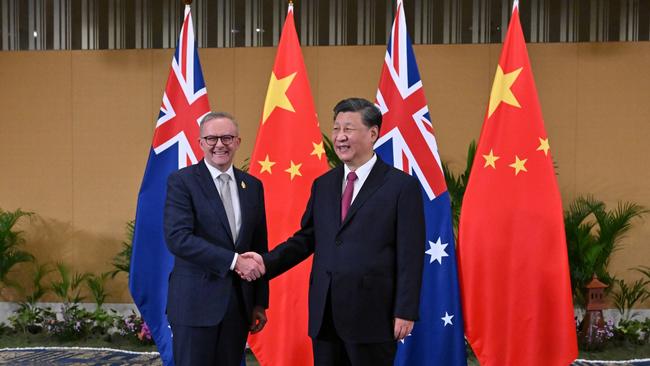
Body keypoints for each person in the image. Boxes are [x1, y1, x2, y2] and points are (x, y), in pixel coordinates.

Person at [240, 98, 425, 366]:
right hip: (325, 315)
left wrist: (405, 311)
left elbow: (410, 255)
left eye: (348, 129)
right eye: (336, 129)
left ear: (373, 133)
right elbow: (306, 239)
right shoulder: (324, 184)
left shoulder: (400, 186)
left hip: (373, 315)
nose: (340, 137)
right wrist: (264, 262)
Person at [164, 112, 269, 366]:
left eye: (227, 138)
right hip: (194, 305)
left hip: (237, 306)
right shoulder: (182, 182)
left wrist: (259, 302)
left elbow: (258, 245)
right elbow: (178, 238)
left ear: (238, 142)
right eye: (211, 138)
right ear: (200, 143)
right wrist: (234, 261)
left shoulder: (252, 185)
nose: (219, 144)